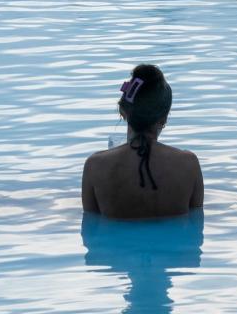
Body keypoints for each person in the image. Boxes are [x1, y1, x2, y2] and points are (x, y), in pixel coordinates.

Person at [82, 64, 203, 219]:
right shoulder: (188, 165)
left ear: (123, 112)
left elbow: (91, 233)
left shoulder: (96, 166)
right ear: (164, 118)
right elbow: (196, 231)